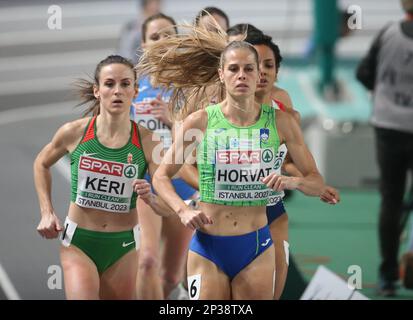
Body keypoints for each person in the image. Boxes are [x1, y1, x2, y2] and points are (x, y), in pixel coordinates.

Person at [137, 28, 339, 299]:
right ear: (222, 74)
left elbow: (316, 180)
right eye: (233, 69)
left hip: (255, 246)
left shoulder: (282, 122)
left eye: (248, 69)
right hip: (208, 247)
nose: (241, 75)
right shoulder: (200, 121)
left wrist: (293, 182)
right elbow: (162, 176)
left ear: (259, 75)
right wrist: (182, 210)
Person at [34, 55, 172, 299]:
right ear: (97, 91)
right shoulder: (74, 132)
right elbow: (41, 163)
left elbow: (167, 208)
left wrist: (150, 198)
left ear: (136, 91)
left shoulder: (149, 141)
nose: (117, 91)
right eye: (109, 84)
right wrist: (47, 211)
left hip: (124, 246)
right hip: (79, 242)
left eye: (125, 84)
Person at [131, 13, 197, 300]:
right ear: (144, 45)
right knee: (146, 261)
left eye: (167, 35)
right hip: (147, 186)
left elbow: (203, 140)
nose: (161, 42)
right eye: (154, 37)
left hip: (184, 187)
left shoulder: (190, 88)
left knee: (172, 275)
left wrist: (172, 121)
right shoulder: (131, 87)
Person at [356, 0, 413, 297]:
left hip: (389, 126)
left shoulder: (389, 32)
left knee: (390, 200)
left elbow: (363, 73)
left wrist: (386, 93)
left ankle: (388, 275)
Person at [117, 0, 161, 64]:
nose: (157, 7)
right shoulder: (132, 26)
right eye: (153, 3)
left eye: (158, 3)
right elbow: (125, 52)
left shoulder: (162, 24)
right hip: (136, 66)